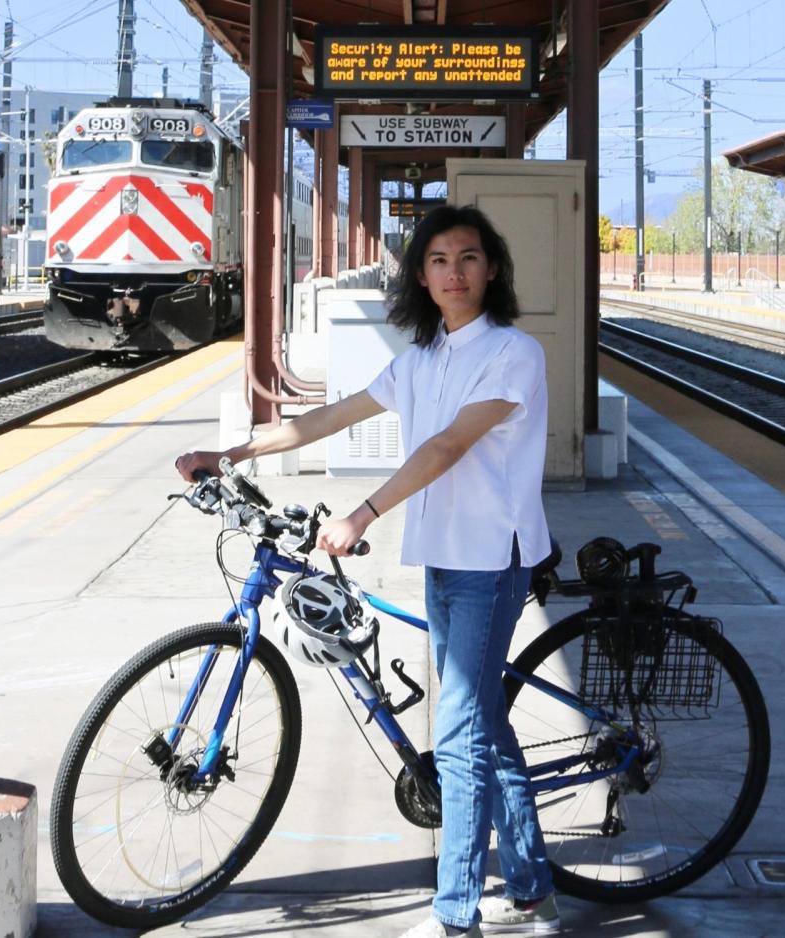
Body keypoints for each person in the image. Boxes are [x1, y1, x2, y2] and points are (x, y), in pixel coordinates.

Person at [175, 205, 559, 938]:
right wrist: (231, 455)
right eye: (440, 259)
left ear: (493, 268)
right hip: (446, 555)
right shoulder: (419, 361)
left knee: (456, 736)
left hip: (493, 558)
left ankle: (456, 916)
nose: (455, 271)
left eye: (470, 257)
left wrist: (362, 514)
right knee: (483, 728)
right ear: (421, 275)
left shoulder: (515, 353)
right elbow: (328, 416)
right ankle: (538, 892)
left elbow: (446, 447)